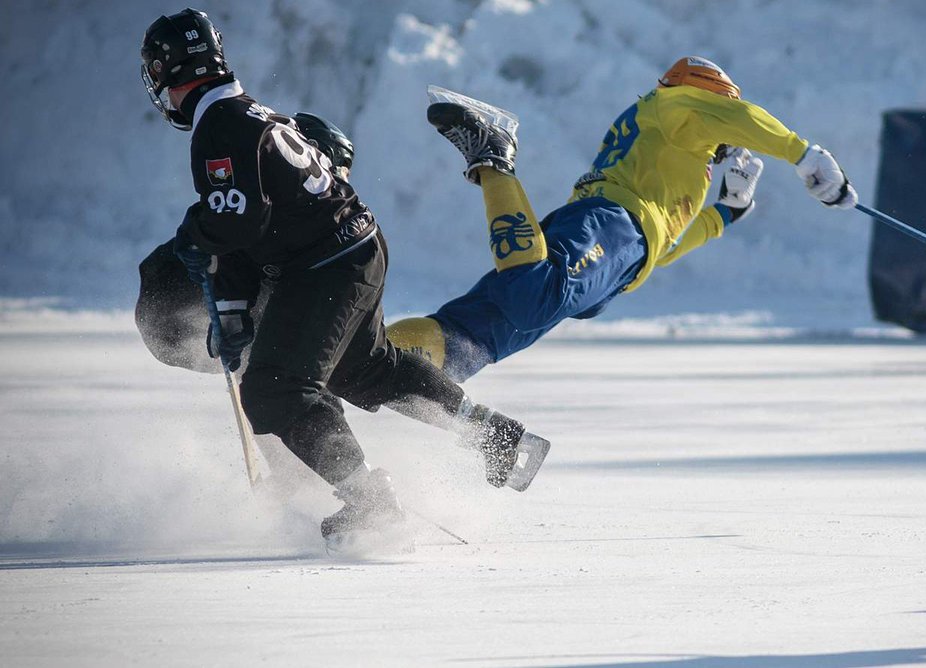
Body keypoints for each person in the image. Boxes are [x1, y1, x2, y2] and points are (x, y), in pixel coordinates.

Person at [139, 8, 548, 548]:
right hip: (356, 247)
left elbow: (238, 221)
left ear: (168, 70)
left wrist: (195, 234)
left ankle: (372, 504)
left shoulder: (217, 125)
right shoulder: (247, 111)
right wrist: (234, 307)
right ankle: (492, 434)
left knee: (273, 392)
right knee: (366, 371)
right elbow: (250, 230)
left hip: (326, 264)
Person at [387, 57, 858, 381]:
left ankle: (376, 359)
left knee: (473, 340)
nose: (723, 154)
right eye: (723, 143)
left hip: (618, 245)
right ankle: (494, 155)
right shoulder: (677, 107)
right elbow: (739, 117)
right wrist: (802, 154)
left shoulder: (671, 147)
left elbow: (660, 248)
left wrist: (724, 214)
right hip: (612, 225)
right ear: (712, 97)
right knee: (532, 297)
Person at [135, 112, 353, 375]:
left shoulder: (272, 195)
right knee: (292, 364)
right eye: (339, 169)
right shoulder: (283, 207)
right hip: (173, 303)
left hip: (169, 312)